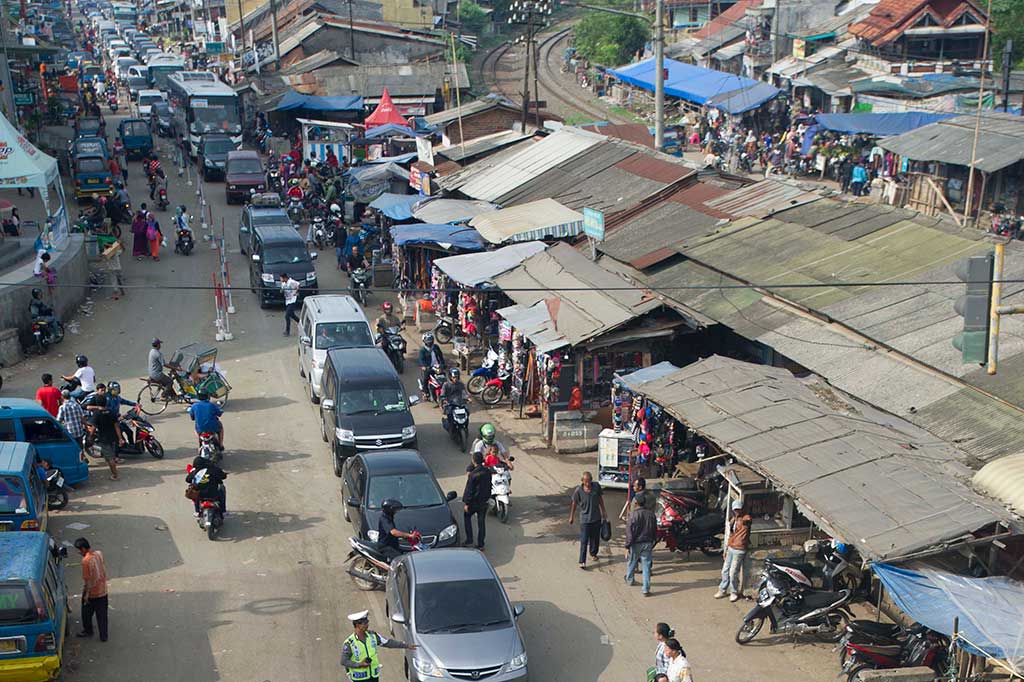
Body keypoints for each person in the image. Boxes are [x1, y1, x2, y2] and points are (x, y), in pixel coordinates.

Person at [340, 610, 416, 682]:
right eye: (365, 623)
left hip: (373, 677)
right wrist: (359, 664)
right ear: (357, 625)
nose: (367, 625)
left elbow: (388, 643)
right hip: (359, 679)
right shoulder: (349, 643)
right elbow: (344, 661)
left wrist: (406, 645)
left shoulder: (373, 636)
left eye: (367, 622)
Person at [715, 499, 752, 602]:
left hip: (739, 549)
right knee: (725, 570)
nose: (737, 511)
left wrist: (740, 519)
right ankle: (722, 589)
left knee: (733, 572)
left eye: (739, 509)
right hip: (731, 547)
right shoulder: (733, 519)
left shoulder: (745, 518)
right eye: (735, 509)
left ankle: (733, 592)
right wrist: (726, 549)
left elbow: (748, 521)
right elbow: (730, 535)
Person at [569, 471, 606, 569]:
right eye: (586, 482)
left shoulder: (596, 487)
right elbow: (574, 503)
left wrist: (603, 511)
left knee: (595, 538)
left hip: (596, 518)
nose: (588, 484)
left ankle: (593, 553)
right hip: (585, 520)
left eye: (589, 481)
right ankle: (582, 561)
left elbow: (600, 499)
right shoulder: (578, 491)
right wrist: (571, 516)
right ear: (582, 481)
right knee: (584, 540)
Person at [74, 538, 109, 642]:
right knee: (102, 615)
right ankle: (104, 636)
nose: (79, 552)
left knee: (86, 613)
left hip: (92, 593)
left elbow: (88, 581)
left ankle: (88, 631)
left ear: (84, 549)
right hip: (103, 590)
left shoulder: (86, 561)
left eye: (79, 550)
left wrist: (86, 595)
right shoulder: (99, 554)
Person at [624, 491, 657, 596]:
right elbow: (655, 530)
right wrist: (652, 541)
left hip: (636, 543)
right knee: (646, 566)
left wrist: (627, 546)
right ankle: (646, 589)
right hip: (648, 543)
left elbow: (629, 531)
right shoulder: (651, 515)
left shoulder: (633, 515)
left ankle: (630, 579)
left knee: (632, 561)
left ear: (637, 503)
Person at [462, 451, 492, 550]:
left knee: (467, 517)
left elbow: (469, 490)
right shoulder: (487, 471)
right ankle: (481, 544)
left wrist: (466, 503)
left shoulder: (473, 474)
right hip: (484, 502)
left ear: (473, 461)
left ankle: (469, 539)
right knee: (481, 522)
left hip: (474, 503)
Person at [89, 394, 122, 480]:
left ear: (97, 403)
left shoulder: (97, 414)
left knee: (110, 458)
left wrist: (90, 437)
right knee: (111, 455)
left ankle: (115, 475)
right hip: (113, 437)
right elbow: (116, 426)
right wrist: (120, 438)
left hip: (104, 439)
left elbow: (93, 428)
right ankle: (114, 469)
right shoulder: (111, 412)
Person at [186, 449, 227, 516]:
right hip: (214, 494)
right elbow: (223, 476)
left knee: (196, 492)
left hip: (201, 495)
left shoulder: (194, 472)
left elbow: (187, 480)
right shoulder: (213, 469)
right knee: (222, 489)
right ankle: (223, 510)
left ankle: (197, 511)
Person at [57, 389, 88, 457]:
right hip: (79, 431)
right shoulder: (76, 405)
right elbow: (82, 417)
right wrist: (86, 426)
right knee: (80, 448)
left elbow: (58, 420)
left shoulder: (62, 407)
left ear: (62, 397)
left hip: (70, 432)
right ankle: (82, 460)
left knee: (73, 449)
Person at [417, 332, 445, 403]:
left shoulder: (436, 347)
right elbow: (421, 360)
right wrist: (424, 366)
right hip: (428, 368)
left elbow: (441, 357)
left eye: (431, 340)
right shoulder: (422, 350)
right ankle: (426, 392)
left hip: (437, 367)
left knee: (444, 377)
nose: (429, 342)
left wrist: (443, 364)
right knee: (426, 379)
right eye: (428, 340)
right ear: (424, 341)